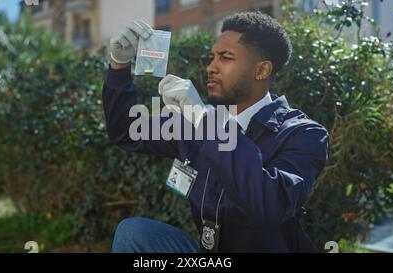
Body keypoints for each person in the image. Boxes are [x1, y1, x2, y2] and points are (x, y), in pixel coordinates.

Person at [103, 11, 329, 253]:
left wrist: (203, 120)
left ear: (262, 70)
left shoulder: (304, 134)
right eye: (211, 58)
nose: (211, 67)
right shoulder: (196, 123)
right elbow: (126, 132)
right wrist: (118, 64)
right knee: (134, 234)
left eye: (225, 58)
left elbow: (268, 204)